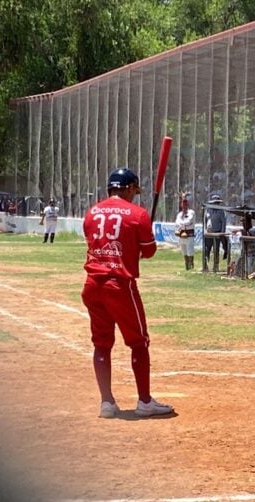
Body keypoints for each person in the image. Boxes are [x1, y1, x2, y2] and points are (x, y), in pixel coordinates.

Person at [82, 168, 173, 418]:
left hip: (92, 284)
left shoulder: (92, 212)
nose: (135, 195)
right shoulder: (138, 214)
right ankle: (144, 401)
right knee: (138, 342)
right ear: (129, 188)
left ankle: (107, 403)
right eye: (134, 190)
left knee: (102, 344)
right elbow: (149, 251)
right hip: (120, 286)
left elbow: (97, 243)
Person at [202, 192, 226, 273]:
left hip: (217, 233)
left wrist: (222, 233)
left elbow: (223, 222)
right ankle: (205, 265)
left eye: (217, 202)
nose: (216, 204)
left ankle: (216, 266)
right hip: (209, 233)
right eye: (215, 202)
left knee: (216, 250)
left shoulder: (221, 211)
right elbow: (205, 220)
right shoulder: (207, 210)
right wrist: (205, 230)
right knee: (207, 249)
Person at [174, 194, 196, 270]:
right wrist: (182, 224)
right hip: (181, 234)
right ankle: (187, 265)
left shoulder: (191, 212)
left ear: (187, 205)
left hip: (189, 234)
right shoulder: (179, 214)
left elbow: (189, 221)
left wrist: (182, 223)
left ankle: (191, 265)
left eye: (185, 204)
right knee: (184, 251)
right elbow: (177, 223)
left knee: (190, 251)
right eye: (182, 205)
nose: (184, 206)